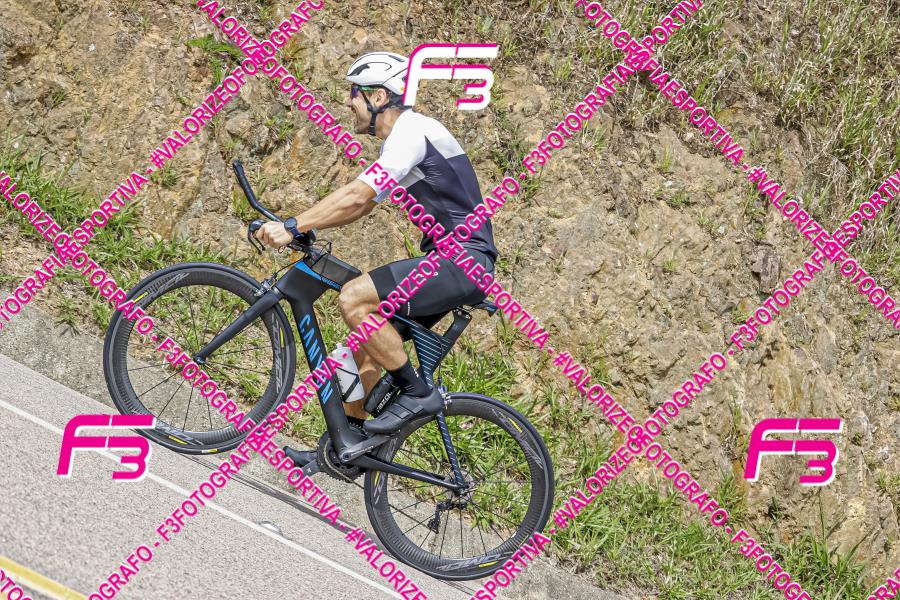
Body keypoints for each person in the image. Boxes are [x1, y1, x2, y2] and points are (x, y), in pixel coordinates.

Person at [254, 51, 498, 464]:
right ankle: (347, 448)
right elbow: (363, 205)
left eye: (354, 92)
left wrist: (293, 225)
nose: (348, 101)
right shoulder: (401, 140)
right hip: (452, 261)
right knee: (360, 352)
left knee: (354, 298)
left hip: (462, 261)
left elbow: (357, 195)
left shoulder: (412, 132)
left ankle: (417, 394)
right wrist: (311, 224)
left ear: (379, 97)